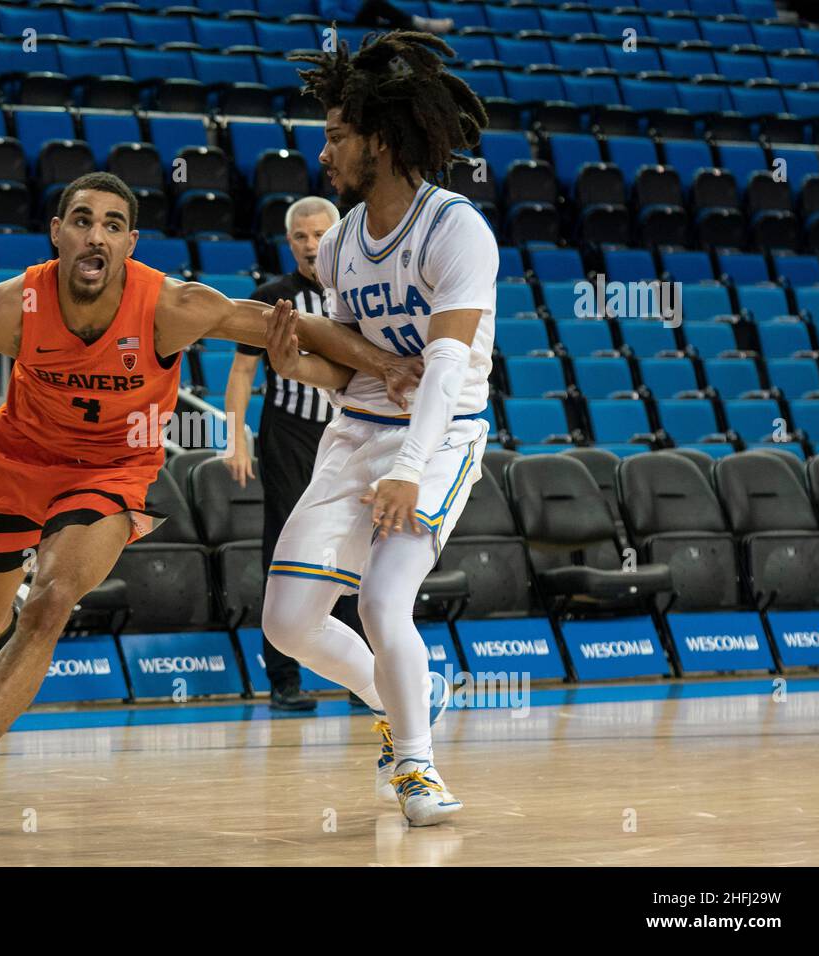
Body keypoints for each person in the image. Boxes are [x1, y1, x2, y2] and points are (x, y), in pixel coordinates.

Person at [0, 172, 422, 837]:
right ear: (57, 234)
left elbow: (295, 325)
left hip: (112, 473)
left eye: (111, 224)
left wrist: (384, 365)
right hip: (17, 467)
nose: (94, 234)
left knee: (51, 602)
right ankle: (16, 590)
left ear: (130, 242)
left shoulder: (173, 305)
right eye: (81, 219)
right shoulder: (6, 307)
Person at [259, 31, 495, 827]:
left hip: (440, 437)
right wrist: (301, 371)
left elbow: (448, 366)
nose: (323, 152)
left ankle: (417, 769)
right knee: (286, 622)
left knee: (384, 602)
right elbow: (356, 369)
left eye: (336, 136)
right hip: (356, 434)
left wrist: (411, 466)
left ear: (380, 141)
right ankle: (406, 699)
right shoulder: (342, 247)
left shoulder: (456, 230)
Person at [223, 196, 375, 712]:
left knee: (355, 547)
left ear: (337, 236)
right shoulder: (272, 298)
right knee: (285, 546)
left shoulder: (357, 295)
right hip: (288, 436)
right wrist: (234, 435)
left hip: (351, 431)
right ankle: (284, 681)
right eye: (301, 237)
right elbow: (242, 371)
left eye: (319, 235)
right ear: (288, 243)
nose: (311, 246)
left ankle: (362, 677)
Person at [317, 0, 453, 34]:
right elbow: (330, 13)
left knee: (398, 26)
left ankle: (423, 36)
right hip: (347, 24)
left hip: (365, 21)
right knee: (374, 3)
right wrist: (355, 19)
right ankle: (422, 24)